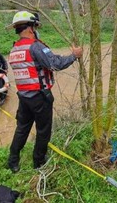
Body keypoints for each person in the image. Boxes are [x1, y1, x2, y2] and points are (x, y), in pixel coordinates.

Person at [6, 11, 83, 173]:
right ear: (29, 29)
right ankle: (38, 162)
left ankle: (13, 161)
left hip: (23, 97)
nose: (35, 30)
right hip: (39, 97)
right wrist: (74, 55)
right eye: (34, 27)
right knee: (43, 130)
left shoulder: (14, 49)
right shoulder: (35, 46)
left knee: (22, 128)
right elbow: (55, 64)